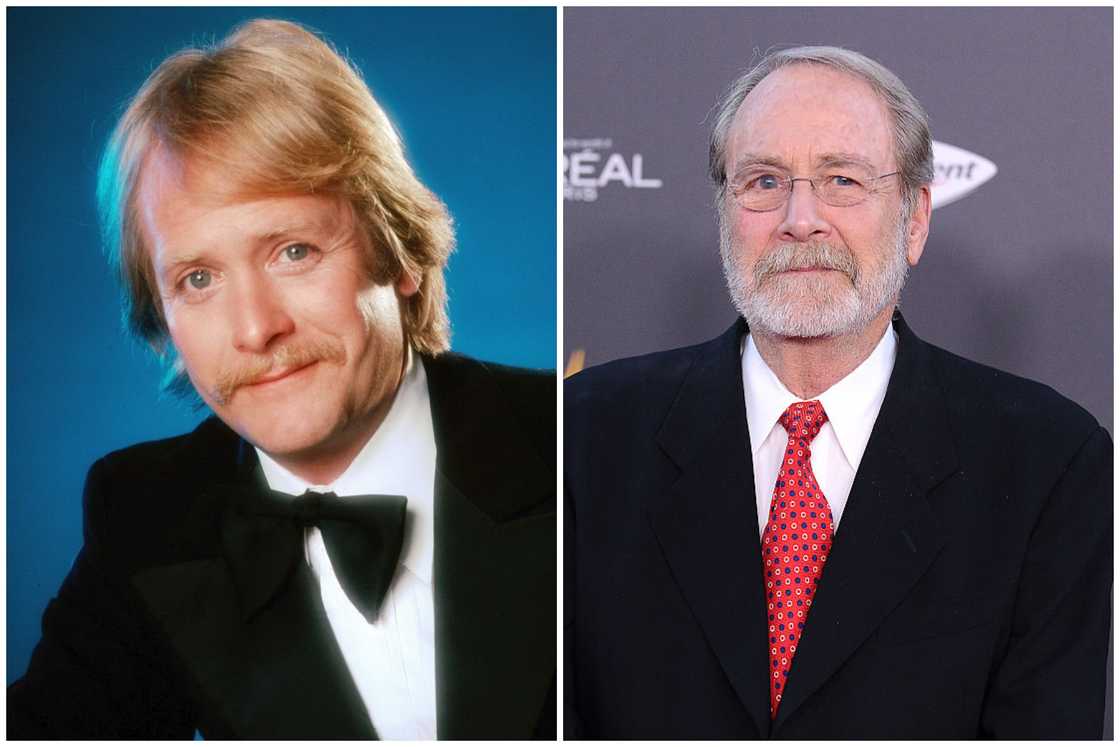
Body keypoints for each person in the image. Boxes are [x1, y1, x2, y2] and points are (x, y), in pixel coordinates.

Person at [8, 19, 555, 740]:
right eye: (198, 278)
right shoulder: (146, 521)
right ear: (162, 314)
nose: (255, 327)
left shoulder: (578, 443)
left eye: (293, 251)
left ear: (399, 254)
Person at [564, 45, 1111, 739]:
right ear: (724, 211)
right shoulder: (583, 437)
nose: (801, 218)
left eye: (842, 180)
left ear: (914, 219)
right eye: (764, 181)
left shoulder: (1049, 464)